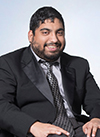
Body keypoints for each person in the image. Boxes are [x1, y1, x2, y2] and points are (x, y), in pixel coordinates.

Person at [0, 6, 100, 137]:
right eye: (45, 32)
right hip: (37, 130)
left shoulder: (79, 65)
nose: (54, 39)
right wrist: (32, 126)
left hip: (77, 128)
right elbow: (2, 104)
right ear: (31, 36)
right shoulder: (9, 63)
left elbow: (95, 100)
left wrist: (96, 119)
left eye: (59, 33)